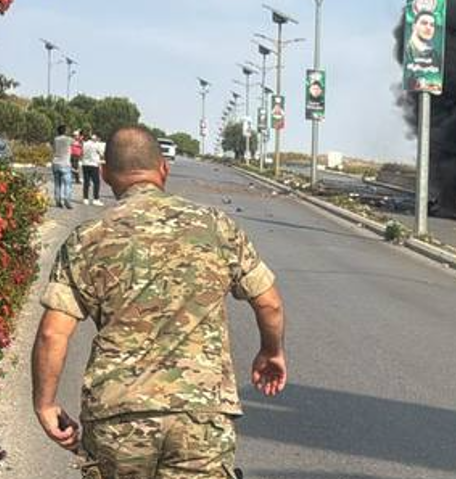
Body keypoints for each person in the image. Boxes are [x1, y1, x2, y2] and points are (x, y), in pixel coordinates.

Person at [31, 126, 287, 478]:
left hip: (118, 416)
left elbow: (52, 333)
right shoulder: (217, 227)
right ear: (164, 169)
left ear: (104, 174)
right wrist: (271, 351)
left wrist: (44, 404)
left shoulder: (86, 239)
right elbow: (270, 303)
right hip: (200, 415)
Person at [50, 124, 73, 209]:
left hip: (55, 163)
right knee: (67, 184)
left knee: (57, 184)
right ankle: (67, 200)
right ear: (65, 131)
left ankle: (58, 201)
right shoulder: (69, 139)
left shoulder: (55, 139)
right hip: (65, 163)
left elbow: (53, 149)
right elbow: (77, 142)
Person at [80, 131, 105, 206]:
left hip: (85, 164)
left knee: (86, 182)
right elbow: (101, 154)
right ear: (98, 138)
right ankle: (96, 199)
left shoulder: (85, 143)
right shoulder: (97, 144)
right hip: (94, 165)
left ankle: (85, 199)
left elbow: (82, 153)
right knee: (96, 182)